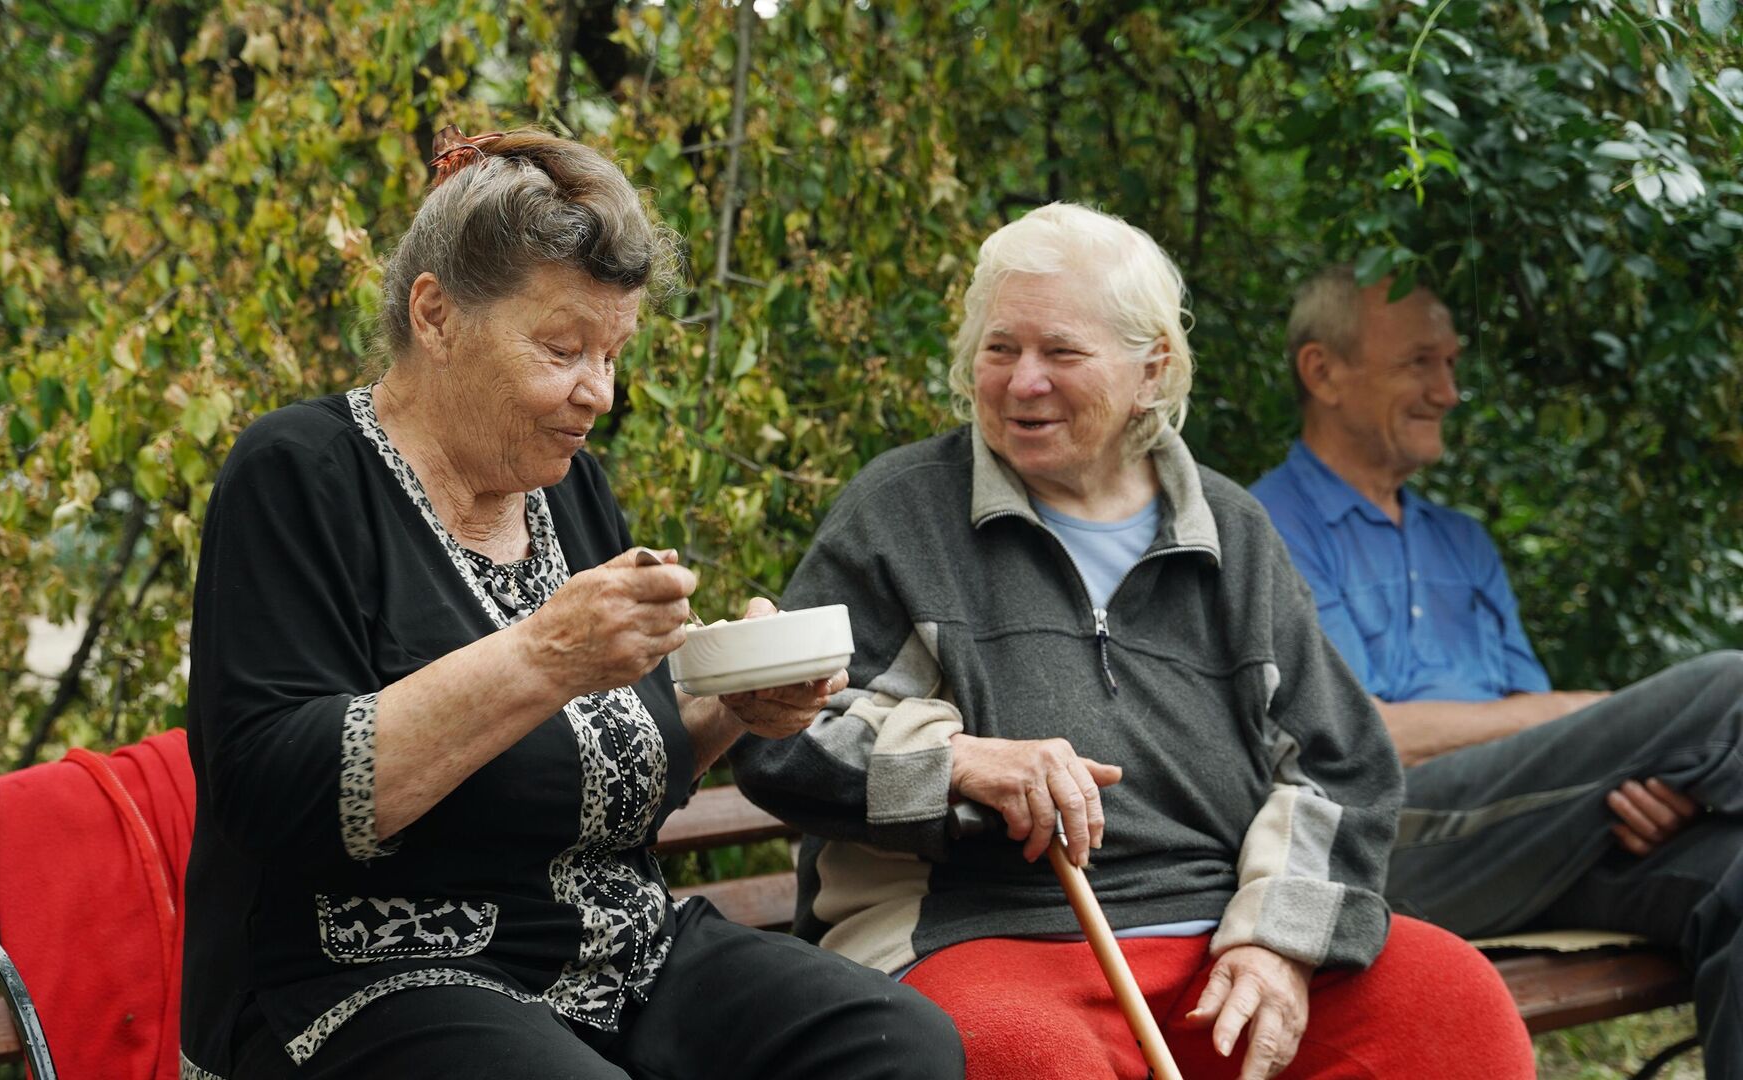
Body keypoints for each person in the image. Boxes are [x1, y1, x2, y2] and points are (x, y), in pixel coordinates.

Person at [176, 127, 964, 1080]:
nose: (598, 392)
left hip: (611, 964)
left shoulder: (569, 487)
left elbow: (605, 781)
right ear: (435, 314)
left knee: (897, 1046)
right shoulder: (299, 474)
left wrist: (729, 709)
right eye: (562, 348)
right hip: (371, 977)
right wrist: (545, 655)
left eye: (614, 351)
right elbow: (269, 794)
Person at [731, 204, 1534, 1080]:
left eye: (1061, 353)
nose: (1021, 381)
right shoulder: (903, 513)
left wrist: (1278, 943)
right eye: (1000, 350)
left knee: (1450, 1006)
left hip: (1219, 937)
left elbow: (1339, 765)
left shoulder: (1230, 531)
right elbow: (786, 738)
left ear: (1151, 369)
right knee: (1017, 1058)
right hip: (978, 932)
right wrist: (961, 763)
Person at [1251, 264, 1743, 1074]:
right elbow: (1360, 744)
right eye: (1420, 363)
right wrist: (1603, 723)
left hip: (1527, 842)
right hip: (1377, 846)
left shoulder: (1462, 543)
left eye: (1452, 363)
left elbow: (1547, 738)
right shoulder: (1266, 527)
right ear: (1322, 371)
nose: (1448, 390)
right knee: (1725, 692)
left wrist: (1645, 784)